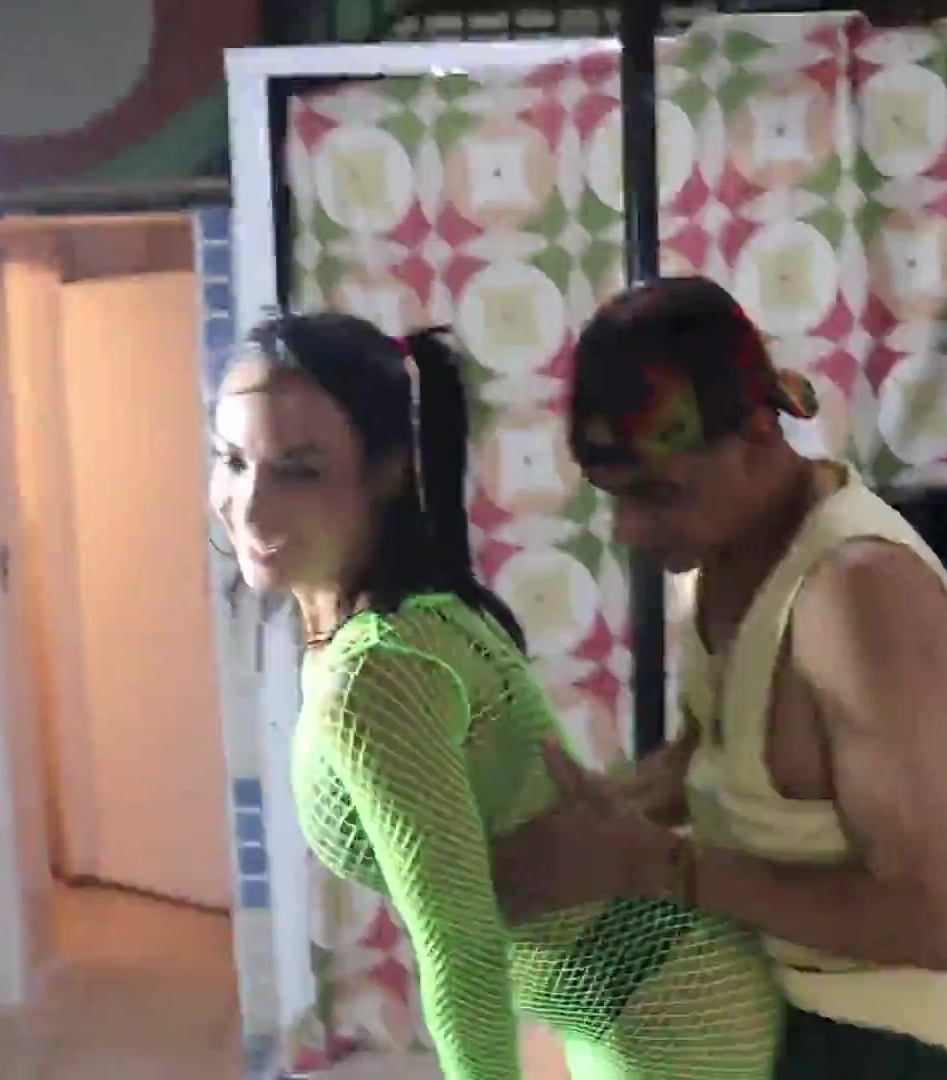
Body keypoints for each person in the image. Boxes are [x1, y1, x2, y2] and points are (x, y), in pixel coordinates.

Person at [207, 310, 782, 1080]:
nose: (249, 506)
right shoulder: (428, 614)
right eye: (232, 460)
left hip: (664, 1019)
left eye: (298, 470)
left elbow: (462, 949)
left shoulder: (374, 672)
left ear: (388, 472)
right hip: (653, 995)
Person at [490, 277, 947, 1079]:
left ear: (758, 437)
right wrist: (584, 819)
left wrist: (656, 867)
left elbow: (928, 922)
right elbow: (712, 756)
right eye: (614, 498)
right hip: (783, 1017)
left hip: (900, 1051)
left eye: (658, 494)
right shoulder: (723, 557)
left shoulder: (856, 595)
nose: (629, 529)